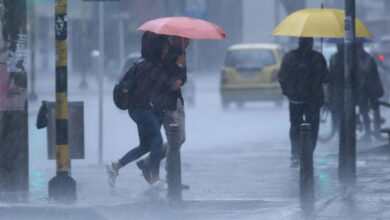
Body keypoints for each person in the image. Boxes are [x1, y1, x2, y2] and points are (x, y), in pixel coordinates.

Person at [106, 32, 169, 187]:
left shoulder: (148, 64)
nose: (168, 49)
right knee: (158, 142)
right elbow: (142, 91)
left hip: (140, 109)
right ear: (159, 48)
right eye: (166, 46)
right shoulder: (147, 66)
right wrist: (152, 101)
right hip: (142, 109)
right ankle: (155, 178)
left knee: (145, 145)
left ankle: (115, 166)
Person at [136, 36, 190, 184]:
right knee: (173, 140)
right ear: (178, 39)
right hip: (166, 103)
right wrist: (170, 83)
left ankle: (149, 163)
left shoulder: (181, 52)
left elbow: (183, 77)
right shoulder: (163, 53)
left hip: (176, 101)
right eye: (186, 39)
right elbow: (158, 77)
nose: (189, 41)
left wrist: (180, 70)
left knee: (179, 139)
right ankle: (170, 177)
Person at [278, 37, 328, 167]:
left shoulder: (289, 57)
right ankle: (309, 153)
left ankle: (295, 154)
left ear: (299, 43)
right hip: (313, 99)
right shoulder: (317, 57)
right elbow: (326, 78)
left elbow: (282, 76)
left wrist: (288, 92)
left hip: (295, 99)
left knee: (295, 126)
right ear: (311, 44)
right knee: (313, 126)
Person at [354, 43, 384, 141]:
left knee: (368, 110)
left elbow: (371, 73)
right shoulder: (365, 58)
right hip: (366, 89)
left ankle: (373, 132)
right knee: (366, 110)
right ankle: (371, 132)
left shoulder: (366, 59)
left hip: (367, 89)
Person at [329, 44, 345, 133]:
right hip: (337, 87)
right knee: (336, 108)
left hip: (340, 88)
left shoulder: (335, 58)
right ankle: (337, 127)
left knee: (337, 108)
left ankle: (339, 127)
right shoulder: (333, 58)